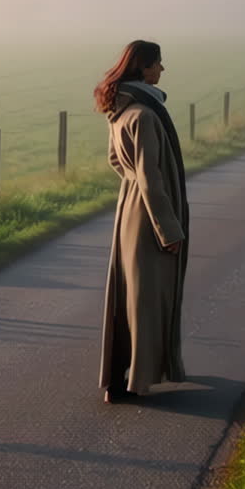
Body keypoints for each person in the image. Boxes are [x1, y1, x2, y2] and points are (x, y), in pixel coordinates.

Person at [93, 40, 189, 404]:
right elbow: (151, 177)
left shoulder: (120, 111)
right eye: (158, 64)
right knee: (147, 298)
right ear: (144, 68)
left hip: (129, 208)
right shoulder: (146, 115)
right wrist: (169, 230)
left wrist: (132, 189)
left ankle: (117, 378)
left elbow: (117, 163)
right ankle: (139, 380)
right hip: (150, 215)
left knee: (126, 295)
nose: (162, 70)